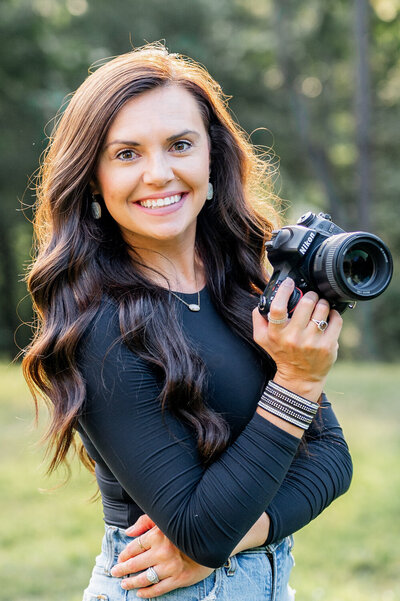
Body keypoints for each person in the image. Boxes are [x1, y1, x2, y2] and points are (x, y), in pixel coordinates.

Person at [23, 42, 352, 601]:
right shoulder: (97, 325)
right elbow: (199, 529)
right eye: (126, 154)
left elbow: (333, 461)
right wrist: (296, 382)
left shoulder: (242, 282)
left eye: (180, 145)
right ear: (93, 177)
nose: (160, 173)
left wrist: (239, 534)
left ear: (211, 159)